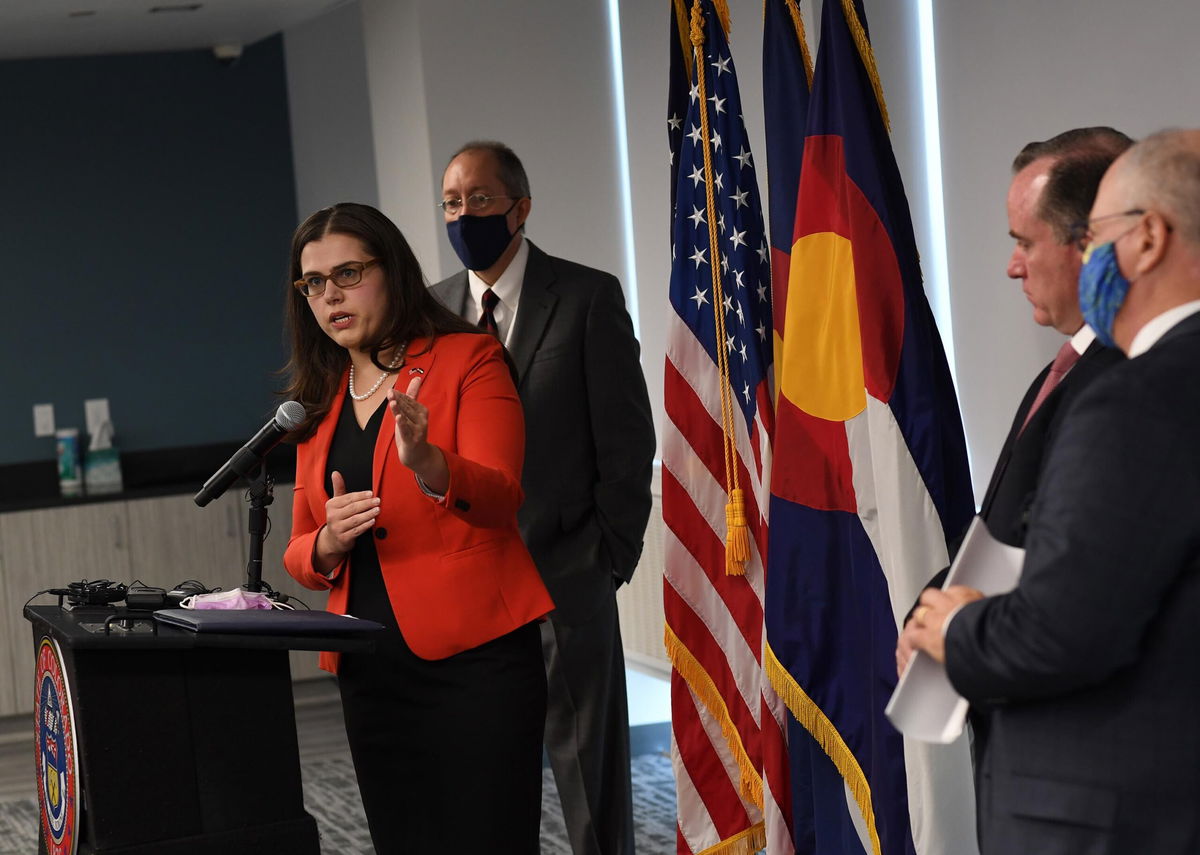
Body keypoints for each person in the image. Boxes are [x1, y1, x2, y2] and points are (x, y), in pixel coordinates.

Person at [904, 129, 1200, 853]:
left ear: (1151, 237)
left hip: (1108, 812)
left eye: (1093, 235)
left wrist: (954, 630)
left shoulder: (1136, 397)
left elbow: (1064, 631)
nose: (1085, 255)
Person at [281, 202, 554, 854]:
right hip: (371, 673)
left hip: (476, 665)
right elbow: (298, 549)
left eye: (347, 273)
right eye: (313, 282)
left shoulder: (470, 359)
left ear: (392, 270)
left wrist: (430, 464)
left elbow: (502, 495)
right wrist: (326, 542)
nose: (330, 295)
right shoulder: (318, 398)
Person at [430, 141, 655, 855]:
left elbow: (626, 444)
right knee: (486, 784)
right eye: (451, 203)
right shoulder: (432, 311)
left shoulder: (587, 297)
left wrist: (606, 563)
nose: (464, 215)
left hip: (567, 579)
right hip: (470, 591)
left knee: (591, 788)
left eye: (480, 200)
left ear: (520, 208)